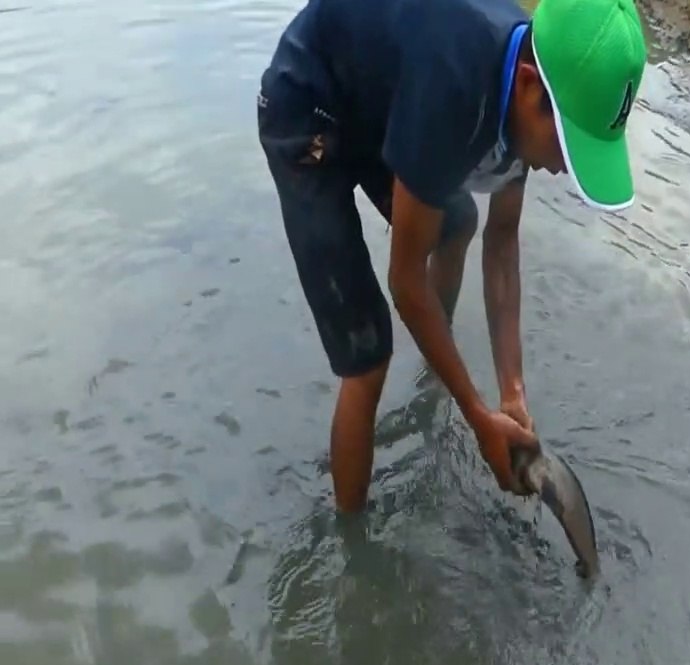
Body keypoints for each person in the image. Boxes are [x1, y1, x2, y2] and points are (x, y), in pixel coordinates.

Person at [257, 0, 647, 512]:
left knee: (457, 224)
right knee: (367, 355)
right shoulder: (454, 90)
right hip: (308, 107)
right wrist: (476, 413)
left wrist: (511, 393)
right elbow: (405, 281)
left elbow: (502, 242)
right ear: (530, 87)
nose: (564, 168)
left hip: (384, 99)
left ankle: (435, 377)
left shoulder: (534, 78)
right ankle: (353, 546)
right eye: (568, 148)